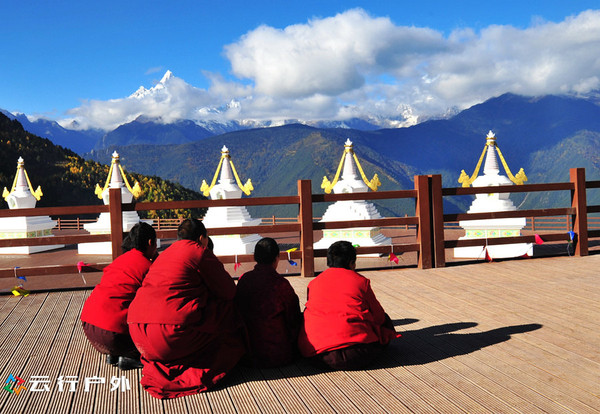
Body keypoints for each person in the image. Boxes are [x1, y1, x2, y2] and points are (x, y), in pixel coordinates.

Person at [127, 218, 245, 399]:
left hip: (137, 334)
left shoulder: (163, 255)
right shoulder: (199, 251)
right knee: (226, 308)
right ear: (201, 238)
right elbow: (229, 291)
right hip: (169, 335)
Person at [298, 240, 398, 370]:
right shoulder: (361, 282)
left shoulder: (314, 283)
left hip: (317, 355)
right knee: (385, 321)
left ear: (329, 262)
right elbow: (379, 317)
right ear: (352, 263)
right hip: (356, 353)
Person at [80, 222, 157, 370]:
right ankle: (130, 358)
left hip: (89, 327)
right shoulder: (148, 267)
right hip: (114, 335)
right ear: (150, 243)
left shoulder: (120, 260)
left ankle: (113, 353)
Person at [235, 238, 302, 368]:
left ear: (255, 257)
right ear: (277, 258)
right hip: (277, 353)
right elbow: (293, 318)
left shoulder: (244, 280)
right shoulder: (281, 283)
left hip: (247, 352)